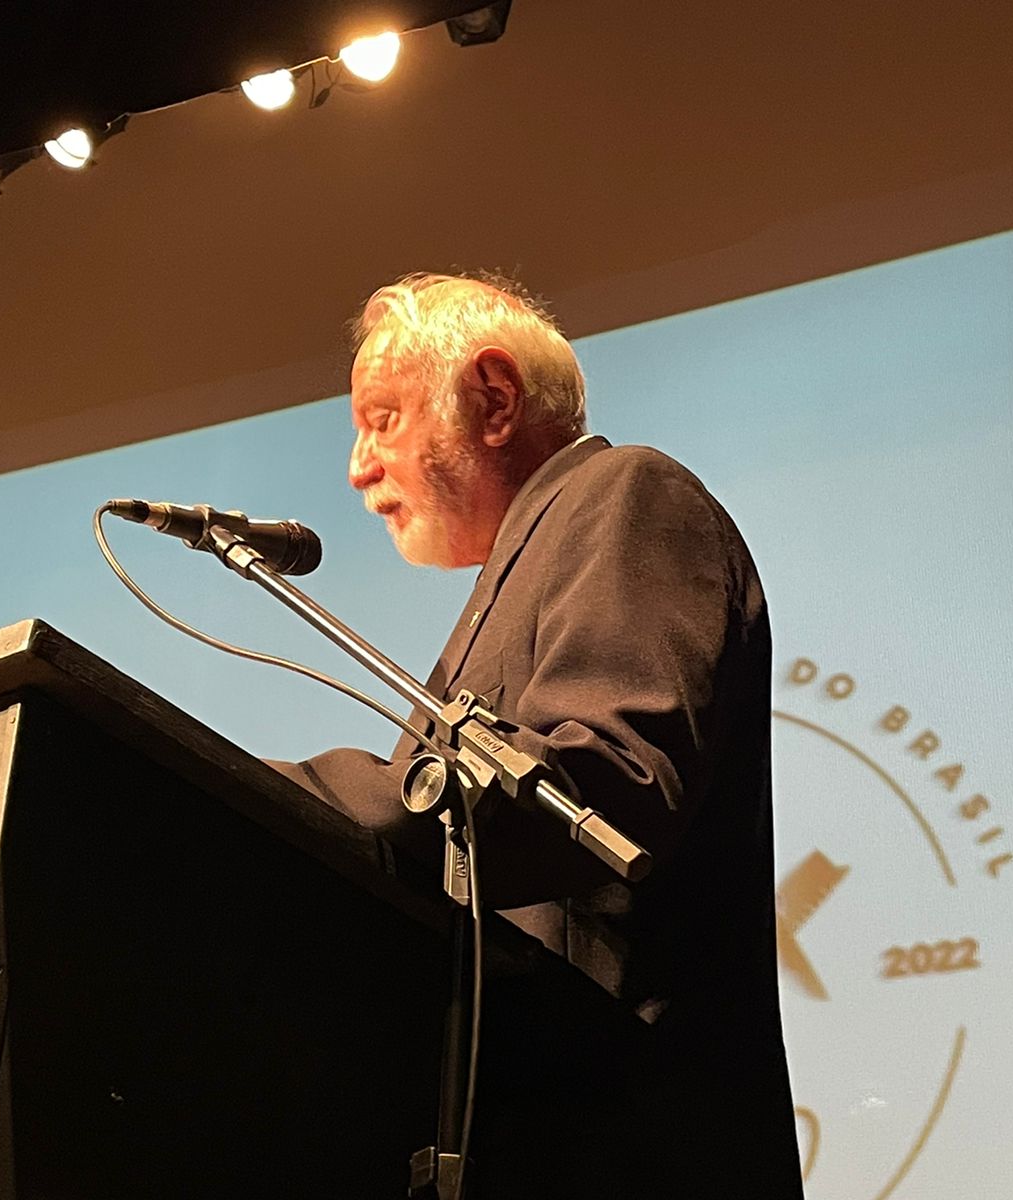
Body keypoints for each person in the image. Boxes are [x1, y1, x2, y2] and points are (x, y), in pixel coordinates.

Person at [275, 273, 803, 1197]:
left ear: (494, 399)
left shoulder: (624, 493)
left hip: (629, 1147)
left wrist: (276, 795)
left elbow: (607, 782)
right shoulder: (518, 572)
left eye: (382, 420)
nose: (359, 467)